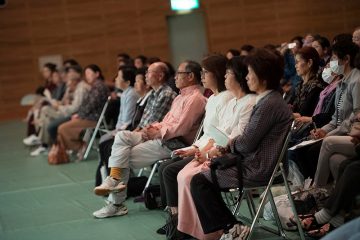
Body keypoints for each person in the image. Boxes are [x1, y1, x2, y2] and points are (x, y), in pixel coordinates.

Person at [189, 48, 292, 240]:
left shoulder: (268, 104)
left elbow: (246, 144)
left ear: (263, 76)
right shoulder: (269, 100)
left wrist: (228, 145)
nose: (247, 78)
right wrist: (229, 146)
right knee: (203, 175)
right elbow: (245, 141)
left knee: (200, 181)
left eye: (251, 73)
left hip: (258, 167)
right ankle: (231, 226)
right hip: (254, 162)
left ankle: (231, 227)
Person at [92, 60, 207, 218]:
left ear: (190, 76)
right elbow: (166, 121)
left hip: (172, 143)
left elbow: (182, 128)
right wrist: (152, 128)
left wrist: (157, 133)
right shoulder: (180, 98)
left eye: (178, 73)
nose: (174, 77)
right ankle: (114, 181)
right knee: (121, 136)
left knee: (122, 158)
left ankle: (116, 202)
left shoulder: (196, 99)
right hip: (160, 136)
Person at [175, 56, 256, 240]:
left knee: (191, 177)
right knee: (182, 175)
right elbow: (215, 133)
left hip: (233, 157)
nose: (225, 77)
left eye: (229, 73)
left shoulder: (245, 101)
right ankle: (191, 229)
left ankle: (210, 231)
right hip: (218, 150)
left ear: (239, 77)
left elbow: (235, 137)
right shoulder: (231, 100)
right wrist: (201, 150)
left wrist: (209, 152)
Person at [156, 54, 233, 233]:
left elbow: (222, 135)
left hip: (216, 152)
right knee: (167, 168)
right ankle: (176, 219)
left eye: (206, 72)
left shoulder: (226, 98)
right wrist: (191, 148)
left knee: (171, 171)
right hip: (205, 148)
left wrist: (200, 151)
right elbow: (208, 133)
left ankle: (182, 223)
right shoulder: (213, 98)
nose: (203, 76)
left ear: (218, 74)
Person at [57, 64, 109, 159]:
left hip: (93, 119)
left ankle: (79, 146)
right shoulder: (95, 86)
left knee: (62, 128)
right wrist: (78, 114)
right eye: (86, 74)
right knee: (62, 128)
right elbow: (85, 105)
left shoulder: (99, 86)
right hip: (88, 117)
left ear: (97, 74)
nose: (87, 76)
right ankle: (67, 151)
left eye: (89, 73)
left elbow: (90, 105)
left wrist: (79, 115)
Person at [292, 46, 325, 120]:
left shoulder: (317, 87)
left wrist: (281, 113)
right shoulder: (299, 85)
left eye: (297, 62)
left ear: (309, 63)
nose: (295, 66)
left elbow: (303, 114)